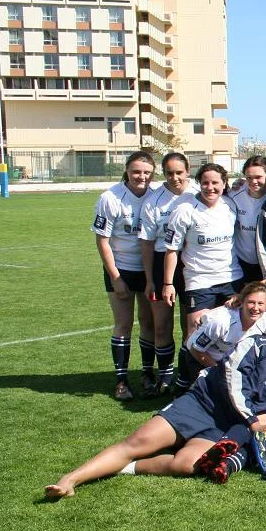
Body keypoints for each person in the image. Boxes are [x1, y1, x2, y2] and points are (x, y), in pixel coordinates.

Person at [44, 322, 266, 500]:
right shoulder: (258, 344)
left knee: (187, 465)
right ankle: (71, 480)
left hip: (222, 428)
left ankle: (126, 468)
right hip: (200, 403)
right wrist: (252, 420)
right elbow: (234, 379)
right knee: (138, 442)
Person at [93, 150, 157, 401]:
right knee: (123, 324)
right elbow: (102, 240)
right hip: (121, 268)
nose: (141, 177)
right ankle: (121, 381)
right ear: (127, 172)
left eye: (147, 172)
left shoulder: (156, 195)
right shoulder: (110, 198)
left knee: (148, 322)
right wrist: (116, 277)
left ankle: (147, 375)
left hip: (148, 269)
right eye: (136, 172)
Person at [163, 163, 243, 342]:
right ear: (199, 183)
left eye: (215, 183)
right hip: (199, 281)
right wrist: (168, 284)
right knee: (196, 334)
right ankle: (188, 363)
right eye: (205, 183)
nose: (210, 187)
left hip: (232, 278)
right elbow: (171, 250)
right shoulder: (184, 210)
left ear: (224, 183)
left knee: (233, 334)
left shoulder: (230, 204)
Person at [139, 152, 197, 395]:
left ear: (188, 171)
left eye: (179, 172)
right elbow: (146, 243)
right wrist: (150, 279)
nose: (175, 178)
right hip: (162, 264)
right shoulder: (153, 201)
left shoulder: (198, 192)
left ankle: (187, 376)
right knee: (162, 326)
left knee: (190, 327)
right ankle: (165, 376)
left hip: (191, 265)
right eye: (169, 173)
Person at [178, 281, 266, 388]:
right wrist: (220, 371)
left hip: (231, 365)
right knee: (210, 395)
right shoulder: (221, 322)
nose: (255, 308)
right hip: (201, 359)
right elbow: (196, 350)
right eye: (251, 302)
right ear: (242, 302)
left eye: (260, 303)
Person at [227, 155, 266, 282]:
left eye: (258, 177)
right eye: (249, 177)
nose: (254, 181)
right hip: (241, 262)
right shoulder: (234, 195)